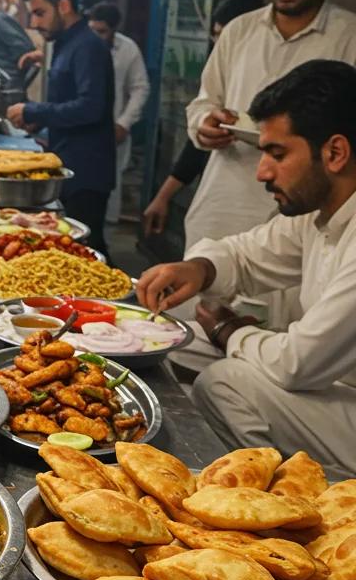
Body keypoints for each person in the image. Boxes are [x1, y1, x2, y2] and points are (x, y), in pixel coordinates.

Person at [137, 61, 356, 477]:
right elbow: (247, 254)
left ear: (335, 152)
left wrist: (229, 331)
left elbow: (298, 363)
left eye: (277, 154)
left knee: (225, 383)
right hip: (330, 386)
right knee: (170, 335)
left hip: (343, 401)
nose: (262, 172)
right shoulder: (323, 212)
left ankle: (292, 506)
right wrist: (199, 268)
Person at [184, 0, 356, 253]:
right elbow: (204, 102)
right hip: (222, 207)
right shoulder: (239, 31)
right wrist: (205, 123)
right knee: (202, 279)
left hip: (304, 222)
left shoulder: (349, 37)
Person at [6, 0, 115, 257]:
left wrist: (33, 109)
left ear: (64, 6)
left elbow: (91, 108)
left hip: (87, 173)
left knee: (86, 252)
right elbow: (68, 103)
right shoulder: (66, 45)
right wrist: (38, 122)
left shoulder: (88, 47)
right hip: (69, 162)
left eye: (40, 13)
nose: (34, 23)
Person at [142, 0, 263, 237]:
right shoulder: (221, 74)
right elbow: (197, 146)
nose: (220, 43)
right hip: (218, 208)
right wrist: (163, 196)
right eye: (217, 35)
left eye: (225, 35)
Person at [86, 2, 149, 226]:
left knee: (111, 187)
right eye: (92, 29)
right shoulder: (83, 46)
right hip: (84, 132)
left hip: (114, 132)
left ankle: (107, 239)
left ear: (114, 30)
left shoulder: (128, 49)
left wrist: (124, 123)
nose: (96, 35)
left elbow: (140, 88)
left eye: (102, 31)